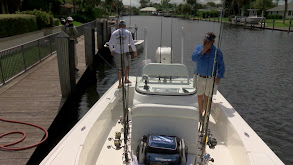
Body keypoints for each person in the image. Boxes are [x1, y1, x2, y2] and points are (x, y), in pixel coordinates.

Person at [191, 32, 225, 122]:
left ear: (212, 42)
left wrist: (219, 76)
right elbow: (193, 58)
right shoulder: (199, 48)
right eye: (205, 40)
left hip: (210, 78)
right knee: (199, 96)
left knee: (207, 97)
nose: (205, 42)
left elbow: (221, 65)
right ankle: (199, 114)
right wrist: (203, 50)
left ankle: (206, 114)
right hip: (199, 77)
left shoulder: (217, 52)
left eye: (208, 42)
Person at [108, 20, 138, 88]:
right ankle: (126, 79)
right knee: (127, 66)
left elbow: (110, 44)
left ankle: (119, 84)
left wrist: (111, 51)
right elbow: (132, 43)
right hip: (126, 52)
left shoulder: (114, 33)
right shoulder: (128, 33)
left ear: (119, 26)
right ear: (125, 26)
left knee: (119, 68)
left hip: (117, 52)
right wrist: (135, 52)